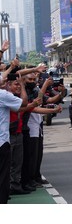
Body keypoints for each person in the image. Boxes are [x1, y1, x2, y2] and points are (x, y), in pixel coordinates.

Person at [0, 73, 27, 203]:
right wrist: (21, 84)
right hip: (2, 142)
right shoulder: (3, 95)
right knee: (3, 177)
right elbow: (24, 103)